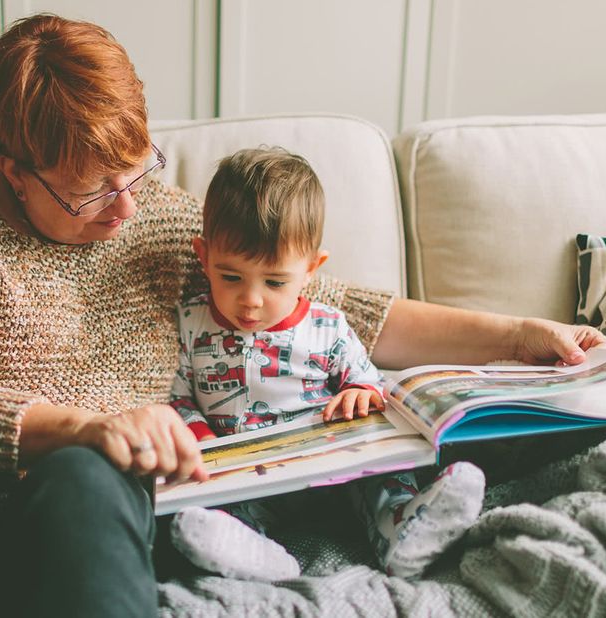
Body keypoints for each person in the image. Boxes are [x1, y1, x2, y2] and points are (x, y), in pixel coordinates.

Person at [0, 13, 606, 618]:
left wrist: (519, 335)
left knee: (90, 477)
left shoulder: (164, 218)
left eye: (135, 172)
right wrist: (84, 425)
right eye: (87, 190)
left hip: (94, 523)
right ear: (14, 168)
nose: (121, 208)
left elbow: (335, 310)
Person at [166, 147, 485, 581]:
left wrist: (359, 393)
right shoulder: (190, 324)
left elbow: (369, 380)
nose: (252, 299)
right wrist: (198, 434)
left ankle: (403, 531)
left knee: (386, 474)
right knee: (209, 507)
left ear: (312, 269)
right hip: (248, 477)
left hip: (338, 472)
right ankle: (258, 558)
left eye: (275, 281)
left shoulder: (327, 327)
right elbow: (177, 396)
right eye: (231, 276)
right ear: (203, 257)